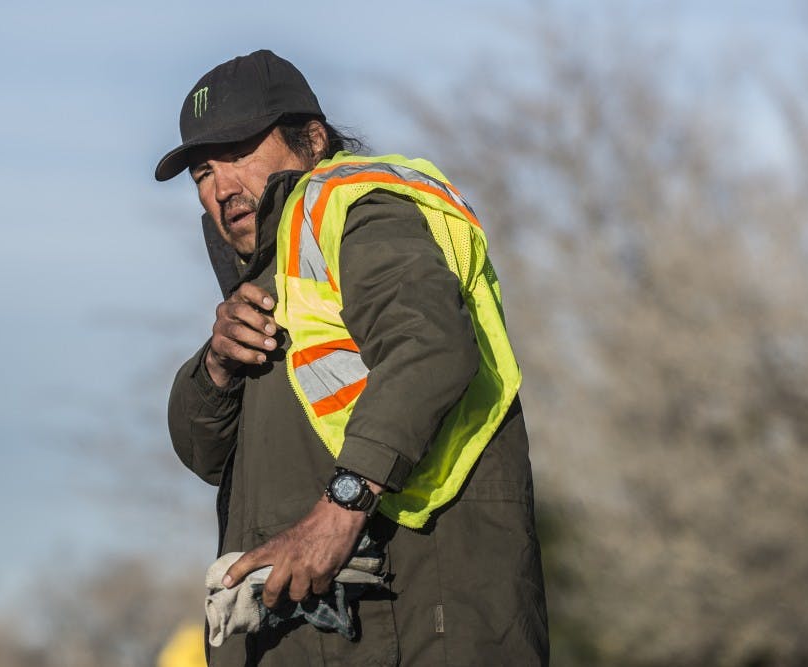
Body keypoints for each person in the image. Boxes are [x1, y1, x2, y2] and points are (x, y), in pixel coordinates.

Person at [157, 49, 549, 666]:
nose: (221, 187)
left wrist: (341, 508)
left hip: (409, 622)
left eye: (239, 152)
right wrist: (217, 368)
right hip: (316, 635)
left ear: (312, 140)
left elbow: (430, 346)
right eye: (203, 173)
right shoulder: (265, 280)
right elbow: (202, 455)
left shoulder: (358, 209)